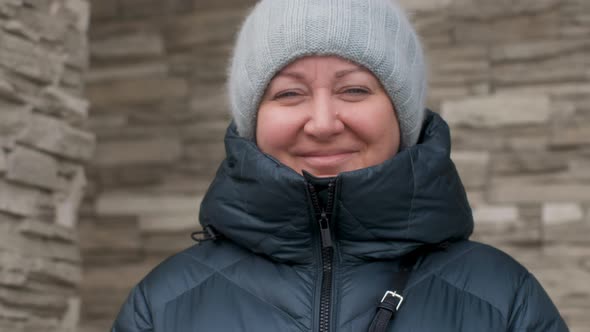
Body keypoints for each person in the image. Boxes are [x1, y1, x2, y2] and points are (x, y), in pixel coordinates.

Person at [112, 0, 569, 331]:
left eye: (354, 90)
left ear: (401, 117)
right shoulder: (162, 306)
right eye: (289, 93)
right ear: (253, 121)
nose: (324, 123)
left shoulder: (505, 300)